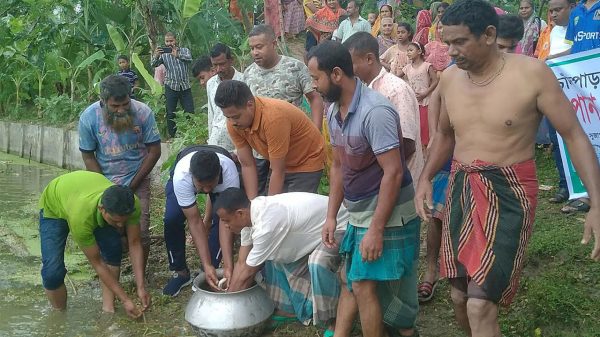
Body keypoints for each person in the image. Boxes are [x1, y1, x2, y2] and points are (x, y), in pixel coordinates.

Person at [415, 1, 600, 336]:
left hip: (509, 191)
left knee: (480, 303)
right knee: (458, 296)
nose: (451, 52)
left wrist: (597, 202)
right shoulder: (452, 78)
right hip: (461, 186)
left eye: (460, 42)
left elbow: (573, 134)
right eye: (447, 42)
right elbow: (444, 133)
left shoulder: (531, 74)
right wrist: (426, 178)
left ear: (489, 35)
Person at [308, 40, 420, 337]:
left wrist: (377, 229)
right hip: (359, 213)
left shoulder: (376, 111)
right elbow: (338, 166)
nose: (314, 86)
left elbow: (394, 172)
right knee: (355, 280)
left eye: (315, 78)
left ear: (335, 75)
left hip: (389, 211)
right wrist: (331, 215)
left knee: (367, 284)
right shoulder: (334, 112)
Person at [216, 188, 348, 335]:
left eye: (226, 221)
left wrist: (226, 310)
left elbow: (247, 272)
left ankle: (333, 320)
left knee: (318, 263)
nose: (226, 226)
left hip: (339, 224)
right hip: (313, 230)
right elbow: (242, 262)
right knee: (275, 254)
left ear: (240, 213)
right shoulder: (252, 215)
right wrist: (229, 295)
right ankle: (288, 310)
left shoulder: (266, 224)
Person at [39, 171, 150, 318]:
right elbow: (97, 263)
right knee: (52, 272)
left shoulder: (131, 203)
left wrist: (141, 287)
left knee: (113, 249)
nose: (120, 225)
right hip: (54, 206)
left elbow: (135, 243)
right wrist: (126, 300)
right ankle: (59, 316)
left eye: (124, 220)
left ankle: (108, 311)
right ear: (102, 209)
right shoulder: (82, 218)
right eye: (115, 221)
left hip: (81, 194)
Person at [79, 75, 161, 271]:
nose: (121, 109)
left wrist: (131, 186)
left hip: (137, 178)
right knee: (108, 230)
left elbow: (154, 151)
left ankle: (140, 274)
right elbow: (88, 156)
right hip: (103, 181)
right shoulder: (88, 118)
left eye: (125, 104)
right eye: (115, 106)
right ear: (103, 101)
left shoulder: (143, 113)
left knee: (140, 231)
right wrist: (105, 187)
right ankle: (109, 274)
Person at [216, 80, 325, 199]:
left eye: (236, 117)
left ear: (250, 104)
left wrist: (269, 207)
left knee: (295, 209)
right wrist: (252, 203)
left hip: (306, 159)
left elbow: (278, 170)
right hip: (280, 163)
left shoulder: (273, 119)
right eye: (228, 117)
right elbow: (247, 164)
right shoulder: (233, 123)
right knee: (266, 206)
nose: (232, 122)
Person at [343, 32, 425, 183]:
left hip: (401, 183)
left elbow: (407, 144)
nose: (348, 71)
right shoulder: (363, 89)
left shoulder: (395, 90)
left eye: (351, 64)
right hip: (379, 180)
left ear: (369, 59)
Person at [162, 145, 240, 296]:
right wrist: (206, 261)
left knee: (224, 219)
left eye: (210, 186)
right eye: (201, 186)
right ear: (192, 177)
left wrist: (228, 266)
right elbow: (195, 221)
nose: (205, 191)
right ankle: (181, 272)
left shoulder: (230, 174)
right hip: (183, 164)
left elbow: (226, 224)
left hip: (221, 163)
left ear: (219, 175)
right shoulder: (182, 176)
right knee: (172, 218)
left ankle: (210, 270)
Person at [244, 24, 324, 128]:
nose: (255, 52)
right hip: (264, 138)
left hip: (295, 135)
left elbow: (314, 97)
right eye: (252, 48)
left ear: (274, 44)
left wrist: (316, 131)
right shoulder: (248, 74)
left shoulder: (295, 67)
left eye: (259, 47)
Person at [395, 42, 439, 148]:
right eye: (407, 51)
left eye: (411, 50)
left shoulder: (427, 66)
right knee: (417, 127)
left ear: (419, 51)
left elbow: (435, 80)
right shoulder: (407, 68)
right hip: (413, 102)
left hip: (426, 101)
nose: (408, 53)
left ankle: (428, 150)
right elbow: (396, 78)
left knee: (425, 127)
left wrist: (426, 92)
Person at [151, 32, 194, 138]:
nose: (169, 43)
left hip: (185, 86)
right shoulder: (163, 54)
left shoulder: (184, 50)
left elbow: (189, 59)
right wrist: (156, 55)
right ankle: (173, 136)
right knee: (171, 113)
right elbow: (153, 64)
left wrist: (177, 55)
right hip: (171, 86)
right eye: (167, 41)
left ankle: (191, 133)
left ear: (176, 40)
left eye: (171, 41)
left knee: (190, 111)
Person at [207, 43, 243, 153]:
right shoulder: (211, 83)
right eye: (214, 65)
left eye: (222, 64)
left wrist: (239, 151)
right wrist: (210, 141)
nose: (218, 69)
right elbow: (211, 115)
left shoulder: (244, 81)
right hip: (215, 144)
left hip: (238, 146)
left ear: (231, 60)